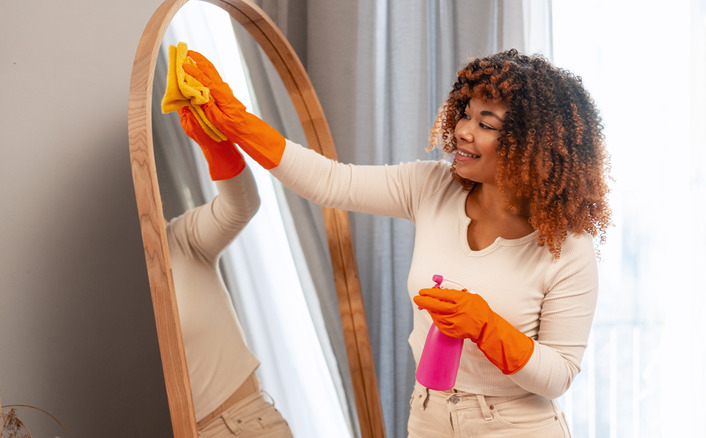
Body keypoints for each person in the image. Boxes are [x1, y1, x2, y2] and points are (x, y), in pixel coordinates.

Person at [179, 48, 611, 437]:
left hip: (516, 426)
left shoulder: (567, 247)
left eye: (486, 124)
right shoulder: (431, 187)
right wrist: (237, 121)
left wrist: (486, 326)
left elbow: (557, 376)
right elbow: (331, 181)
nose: (462, 131)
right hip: (429, 414)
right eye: (465, 114)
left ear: (530, 146)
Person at [167, 106, 294, 438]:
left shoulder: (177, 239)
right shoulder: (96, 292)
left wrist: (213, 141)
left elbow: (240, 206)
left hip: (243, 425)